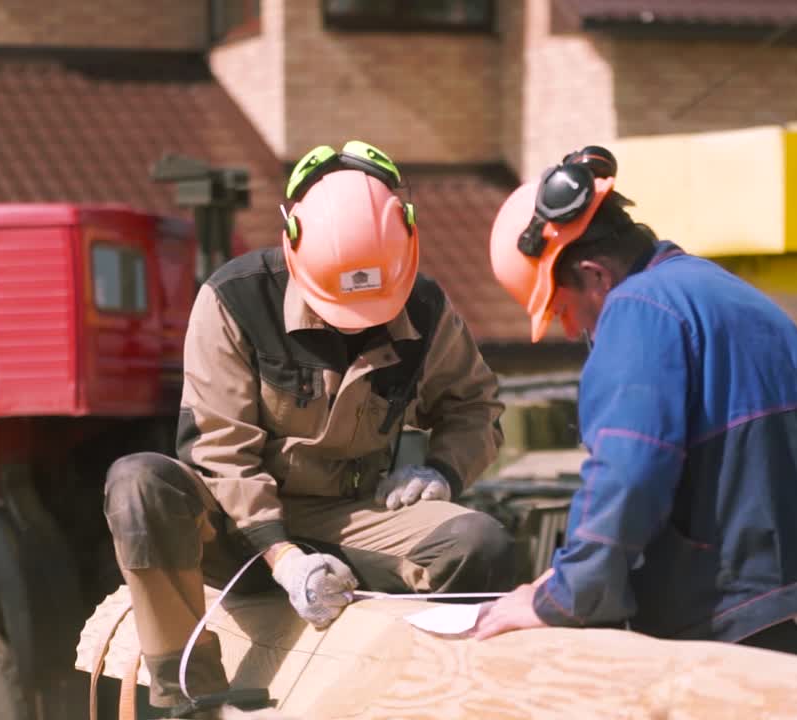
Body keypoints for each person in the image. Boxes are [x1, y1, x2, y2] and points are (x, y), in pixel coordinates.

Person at [104, 140, 514, 713]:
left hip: (348, 513)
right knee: (139, 483)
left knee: (480, 544)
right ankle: (188, 698)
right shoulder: (234, 299)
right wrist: (284, 558)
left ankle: (434, 700)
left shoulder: (424, 305)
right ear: (293, 246)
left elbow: (473, 405)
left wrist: (443, 470)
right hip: (235, 523)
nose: (354, 327)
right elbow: (222, 453)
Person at [476, 145, 797, 661]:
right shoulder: (717, 290)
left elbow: (628, 472)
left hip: (763, 607)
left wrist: (562, 598)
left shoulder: (637, 308)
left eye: (563, 308)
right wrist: (572, 573)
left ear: (594, 274)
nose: (572, 329)